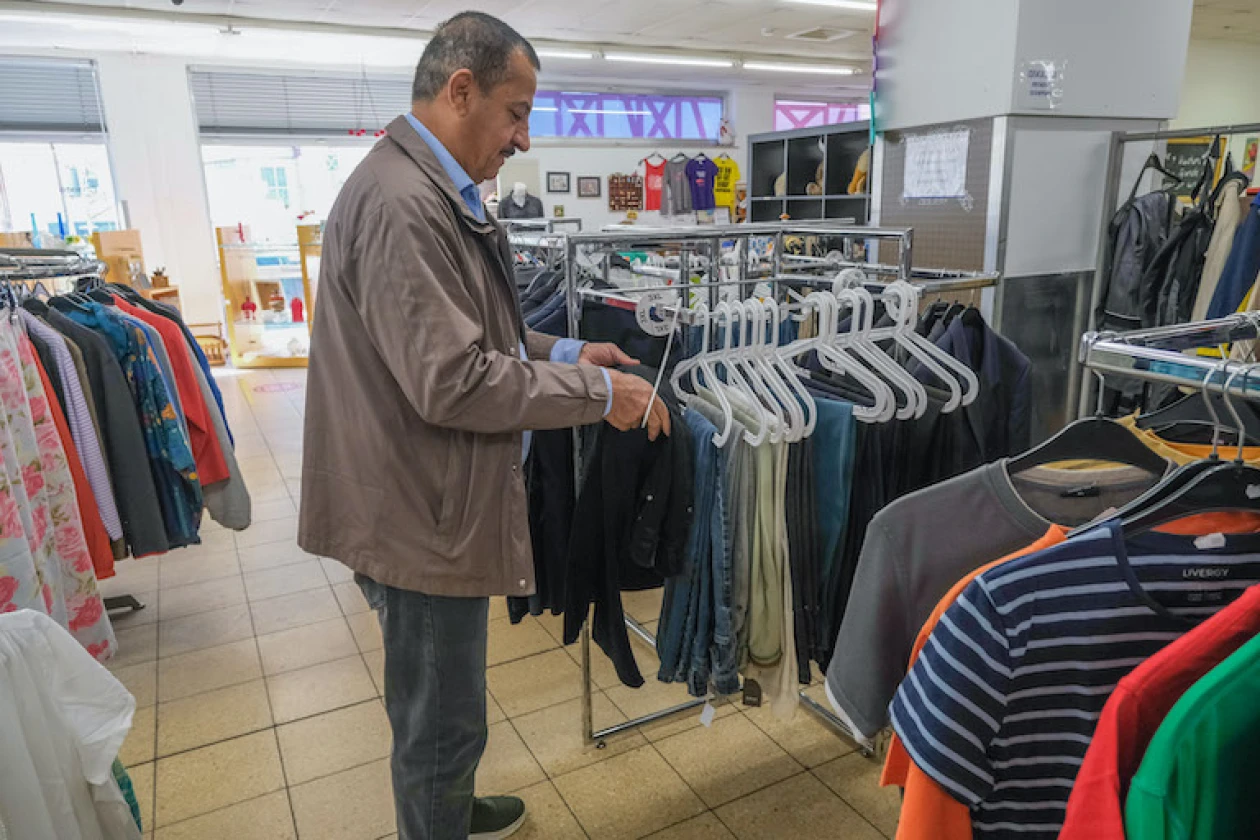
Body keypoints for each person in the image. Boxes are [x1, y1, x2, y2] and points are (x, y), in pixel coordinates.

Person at [298, 11, 670, 840]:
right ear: (460, 90)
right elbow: (455, 381)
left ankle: (453, 808)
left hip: (428, 499)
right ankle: (439, 815)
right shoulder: (402, 204)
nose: (524, 139)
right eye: (516, 112)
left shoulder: (428, 189)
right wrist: (598, 397)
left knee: (446, 703)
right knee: (441, 721)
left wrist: (569, 347)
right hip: (418, 518)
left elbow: (473, 332)